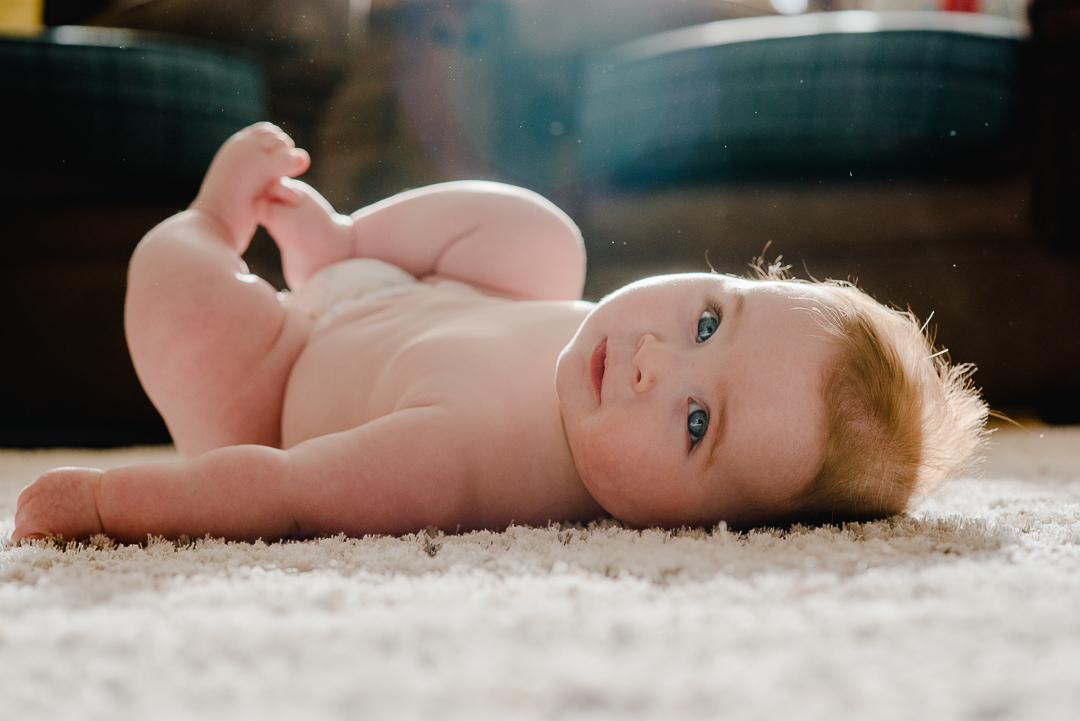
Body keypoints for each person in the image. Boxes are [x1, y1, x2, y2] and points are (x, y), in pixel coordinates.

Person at [12, 123, 987, 543]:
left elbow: (284, 493)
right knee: (545, 239)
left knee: (177, 301)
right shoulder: (602, 349)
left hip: (279, 372)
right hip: (402, 288)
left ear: (704, 530)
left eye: (696, 424)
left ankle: (207, 221)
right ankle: (342, 238)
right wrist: (360, 268)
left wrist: (109, 505)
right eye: (705, 318)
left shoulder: (455, 461)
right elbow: (523, 295)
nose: (652, 359)